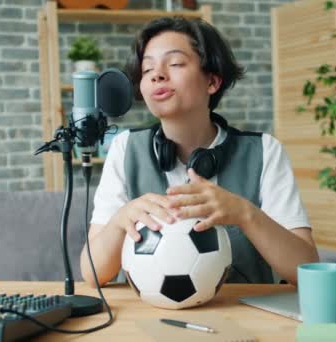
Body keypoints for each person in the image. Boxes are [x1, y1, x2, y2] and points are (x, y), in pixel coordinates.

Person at [80, 16, 318, 287]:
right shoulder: (124, 149)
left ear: (212, 82)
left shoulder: (264, 151)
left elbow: (306, 271)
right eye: (147, 70)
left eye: (176, 64)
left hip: (245, 317)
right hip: (145, 320)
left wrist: (245, 214)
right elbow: (92, 274)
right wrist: (121, 220)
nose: (157, 74)